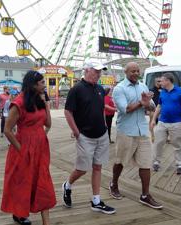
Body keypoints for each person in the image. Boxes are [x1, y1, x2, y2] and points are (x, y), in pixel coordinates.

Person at [1, 71, 55, 225]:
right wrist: (21, 150)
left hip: (40, 146)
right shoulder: (19, 102)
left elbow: (48, 124)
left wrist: (46, 105)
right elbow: (7, 130)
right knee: (23, 182)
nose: (45, 85)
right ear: (33, 84)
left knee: (43, 180)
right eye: (42, 82)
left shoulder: (39, 100)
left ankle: (46, 222)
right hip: (23, 147)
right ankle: (19, 213)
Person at [62, 60, 115, 214]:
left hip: (101, 134)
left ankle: (96, 201)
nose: (98, 74)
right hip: (84, 135)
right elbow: (68, 112)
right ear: (86, 70)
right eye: (96, 71)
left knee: (98, 167)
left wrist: (109, 113)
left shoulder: (99, 88)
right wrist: (76, 132)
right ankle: (67, 184)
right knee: (82, 169)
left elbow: (98, 107)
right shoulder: (76, 89)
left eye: (100, 71)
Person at [110, 62, 163, 209]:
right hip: (126, 130)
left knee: (146, 163)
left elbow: (152, 106)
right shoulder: (119, 89)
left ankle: (145, 195)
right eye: (132, 71)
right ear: (125, 72)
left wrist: (148, 103)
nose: (135, 73)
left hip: (142, 131)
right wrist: (141, 102)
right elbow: (125, 109)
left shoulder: (143, 87)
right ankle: (114, 183)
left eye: (137, 71)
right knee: (120, 161)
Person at [151, 72, 181, 175]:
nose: (160, 82)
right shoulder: (162, 92)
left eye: (162, 80)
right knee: (158, 142)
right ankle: (156, 162)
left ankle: (180, 165)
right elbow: (159, 106)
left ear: (168, 81)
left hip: (176, 123)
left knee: (178, 144)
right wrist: (153, 119)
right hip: (162, 122)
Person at [149, 78, 162, 142]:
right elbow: (149, 100)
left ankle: (163, 137)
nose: (160, 82)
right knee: (152, 123)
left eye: (160, 81)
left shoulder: (163, 90)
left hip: (161, 110)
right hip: (153, 110)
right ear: (155, 82)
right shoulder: (151, 90)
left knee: (162, 124)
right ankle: (152, 136)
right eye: (158, 81)